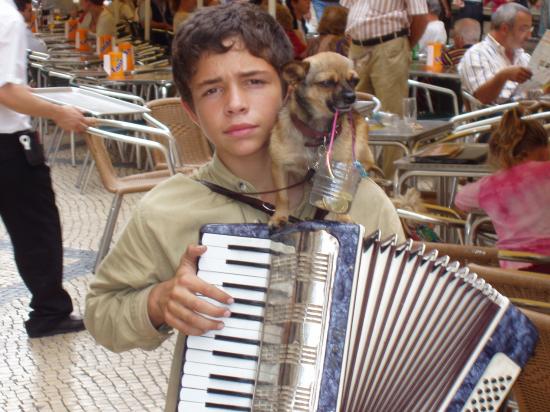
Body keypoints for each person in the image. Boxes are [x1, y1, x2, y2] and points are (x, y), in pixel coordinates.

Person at [84, 3, 404, 410]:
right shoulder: (167, 209)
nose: (235, 103)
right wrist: (159, 302)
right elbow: (101, 310)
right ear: (190, 111)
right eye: (212, 90)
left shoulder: (363, 201)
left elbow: (402, 328)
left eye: (253, 81)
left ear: (290, 89)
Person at [0, 0, 92, 338]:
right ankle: (49, 311)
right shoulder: (7, 18)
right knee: (37, 230)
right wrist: (57, 112)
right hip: (9, 145)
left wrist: (26, 95)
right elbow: (6, 92)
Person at [455, 108, 550, 273]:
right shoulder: (546, 171)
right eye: (544, 155)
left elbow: (460, 201)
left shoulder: (491, 185)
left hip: (514, 276)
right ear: (525, 155)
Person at [342, 0, 429, 177]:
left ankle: (389, 182)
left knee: (392, 118)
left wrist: (404, 46)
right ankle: (358, 178)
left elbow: (421, 17)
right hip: (357, 47)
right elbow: (349, 7)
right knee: (352, 116)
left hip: (389, 44)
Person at [458, 3, 533, 105]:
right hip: (489, 119)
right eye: (524, 29)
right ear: (504, 29)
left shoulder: (524, 57)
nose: (529, 36)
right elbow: (482, 99)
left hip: (525, 117)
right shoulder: (477, 54)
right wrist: (504, 75)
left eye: (530, 29)